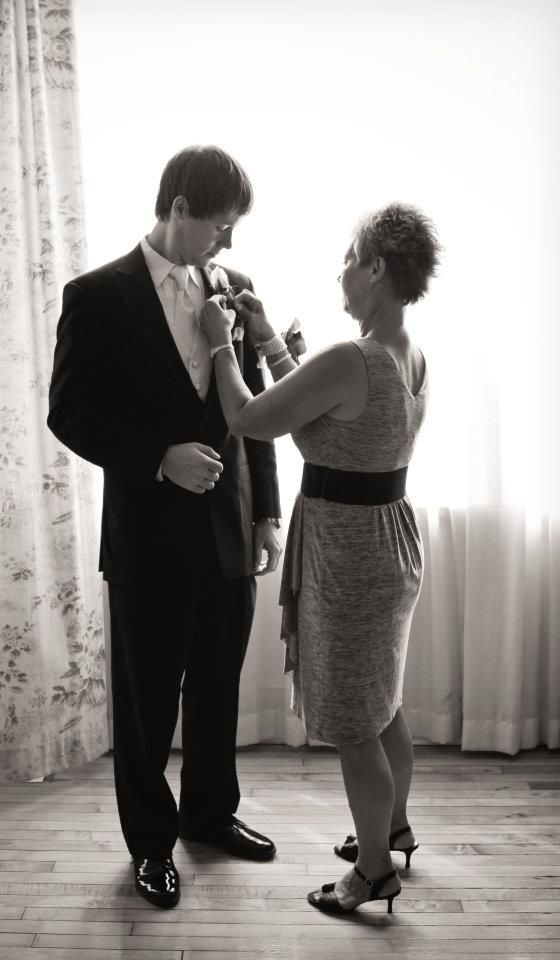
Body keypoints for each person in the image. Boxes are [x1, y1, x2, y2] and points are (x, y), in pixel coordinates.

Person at [47, 145, 283, 910]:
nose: (229, 243)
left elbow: (255, 416)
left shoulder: (237, 289)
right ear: (179, 208)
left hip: (228, 534)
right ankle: (151, 844)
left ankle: (211, 816)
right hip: (148, 539)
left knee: (217, 690)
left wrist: (266, 510)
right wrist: (157, 458)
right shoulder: (96, 295)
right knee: (148, 704)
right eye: (221, 225)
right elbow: (70, 413)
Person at [199, 202, 440, 915]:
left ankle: (371, 872)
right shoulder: (406, 351)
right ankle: (392, 829)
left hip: (350, 553)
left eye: (349, 256)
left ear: (376, 269)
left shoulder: (351, 357)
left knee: (355, 723)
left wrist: (222, 344)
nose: (340, 269)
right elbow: (323, 415)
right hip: (389, 539)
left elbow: (253, 417)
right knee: (383, 702)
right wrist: (271, 336)